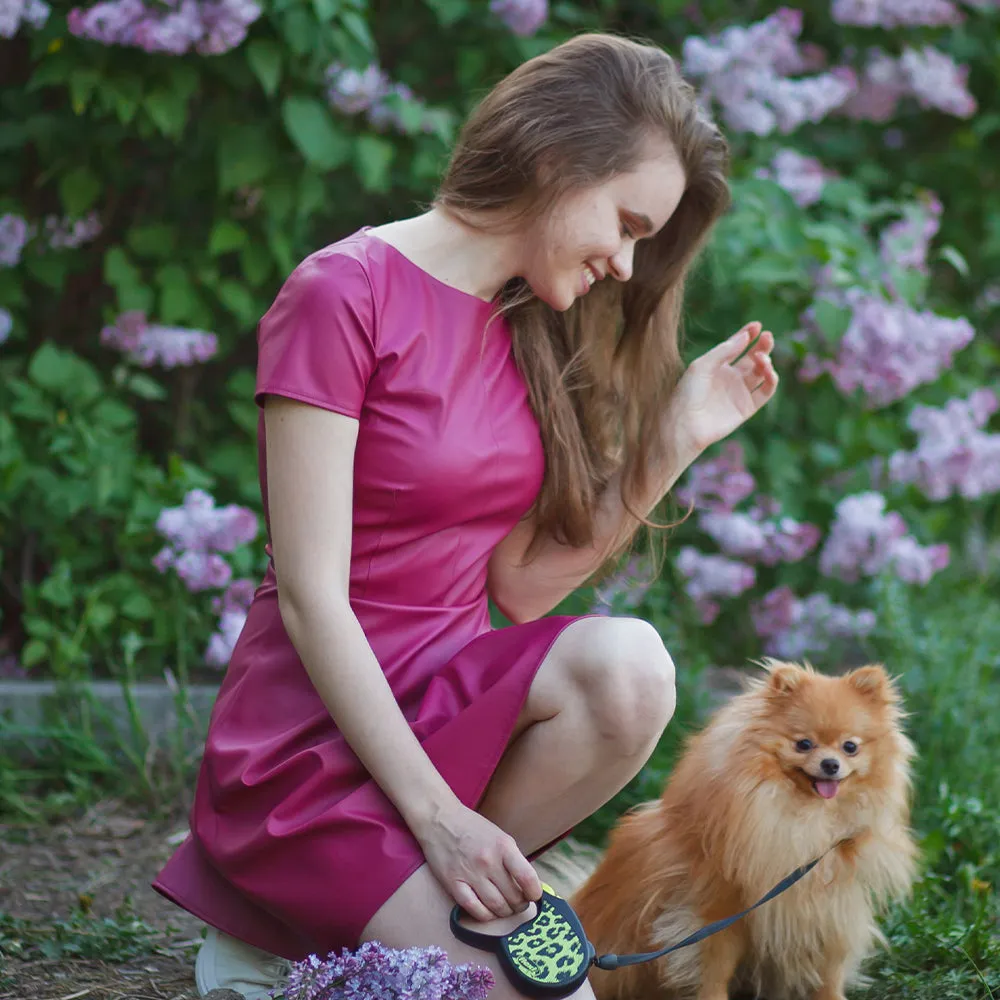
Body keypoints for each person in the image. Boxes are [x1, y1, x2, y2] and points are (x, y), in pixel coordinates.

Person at [152, 31, 778, 1000]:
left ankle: (343, 935)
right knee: (539, 993)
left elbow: (518, 589)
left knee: (631, 670)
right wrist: (439, 816)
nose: (624, 261)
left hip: (443, 714)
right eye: (626, 222)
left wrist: (675, 439)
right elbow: (314, 598)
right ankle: (298, 935)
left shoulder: (520, 326)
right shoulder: (341, 293)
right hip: (309, 754)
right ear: (556, 161)